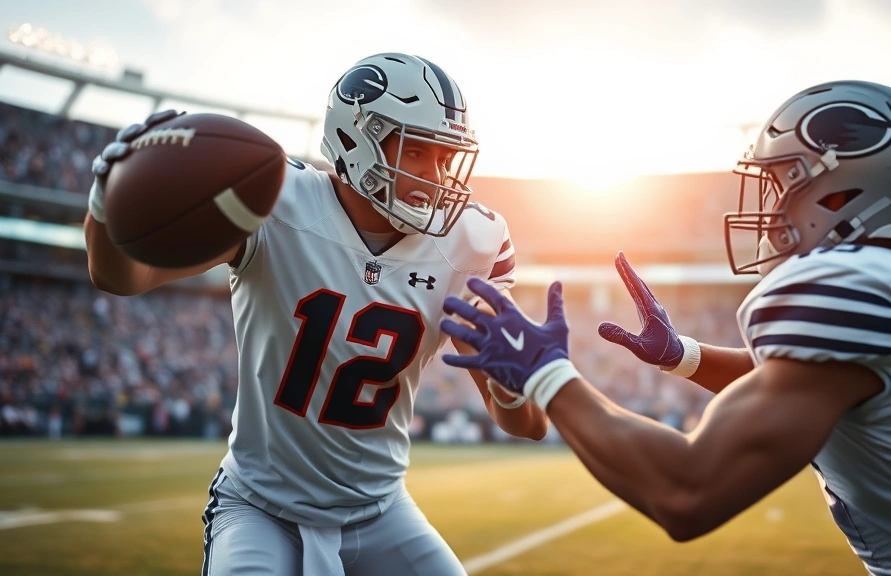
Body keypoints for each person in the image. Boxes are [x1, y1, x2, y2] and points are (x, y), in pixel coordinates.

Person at [440, 80, 891, 575]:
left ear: (844, 190)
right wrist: (683, 356)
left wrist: (546, 376)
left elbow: (687, 491)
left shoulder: (857, 288)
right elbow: (811, 382)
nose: (770, 210)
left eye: (783, 183)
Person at [84, 53, 547, 576]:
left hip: (380, 510)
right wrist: (107, 206)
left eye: (446, 158)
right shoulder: (276, 201)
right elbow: (123, 278)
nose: (437, 176)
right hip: (260, 506)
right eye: (418, 152)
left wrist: (513, 384)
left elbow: (525, 425)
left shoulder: (474, 242)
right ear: (358, 138)